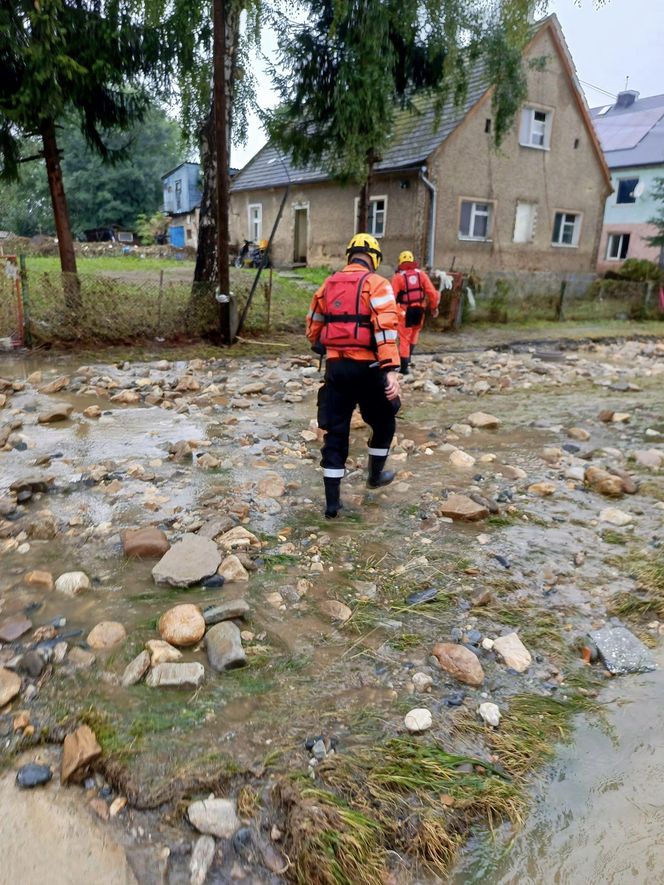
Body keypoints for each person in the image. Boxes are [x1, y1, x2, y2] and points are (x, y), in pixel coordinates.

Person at [306, 233, 401, 519]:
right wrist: (392, 371)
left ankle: (332, 506)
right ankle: (374, 477)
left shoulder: (328, 284)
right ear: (374, 258)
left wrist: (328, 344)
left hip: (336, 370)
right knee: (384, 422)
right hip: (370, 370)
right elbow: (386, 329)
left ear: (349, 256)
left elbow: (313, 329)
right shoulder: (378, 284)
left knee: (335, 435)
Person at [391, 250, 440, 375]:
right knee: (414, 333)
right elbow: (432, 293)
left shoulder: (398, 277)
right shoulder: (421, 275)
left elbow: (391, 297)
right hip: (420, 310)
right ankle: (408, 358)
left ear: (400, 262)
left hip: (404, 311)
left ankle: (404, 368)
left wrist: (391, 313)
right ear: (413, 261)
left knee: (404, 338)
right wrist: (434, 308)